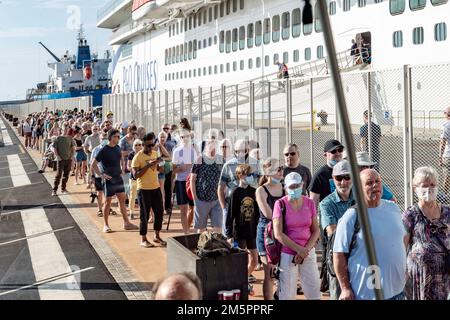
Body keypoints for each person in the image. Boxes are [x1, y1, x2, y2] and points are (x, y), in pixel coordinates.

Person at [333, 169, 406, 300]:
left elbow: (401, 238)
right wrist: (345, 288)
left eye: (377, 181)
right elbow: (338, 254)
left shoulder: (393, 208)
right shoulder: (352, 216)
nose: (375, 186)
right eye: (369, 183)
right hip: (366, 295)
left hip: (398, 292)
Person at [403, 166, 450, 300]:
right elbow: (402, 245)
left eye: (432, 185)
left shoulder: (447, 212)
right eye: (424, 185)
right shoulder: (410, 214)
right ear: (415, 188)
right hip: (419, 277)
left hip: (443, 276)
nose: (429, 189)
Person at [273, 172, 321, 300]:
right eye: (291, 187)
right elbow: (278, 234)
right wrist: (299, 250)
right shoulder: (280, 204)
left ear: (302, 185)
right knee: (287, 294)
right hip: (288, 253)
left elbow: (316, 230)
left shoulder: (309, 203)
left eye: (297, 186)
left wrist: (305, 250)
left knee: (314, 291)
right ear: (286, 188)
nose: (294, 189)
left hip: (308, 252)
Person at [91, 129, 139, 233]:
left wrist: (121, 168)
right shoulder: (104, 150)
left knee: (122, 200)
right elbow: (93, 164)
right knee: (107, 202)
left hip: (118, 178)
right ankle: (106, 225)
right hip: (109, 180)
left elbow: (120, 157)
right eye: (117, 136)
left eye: (118, 136)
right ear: (111, 137)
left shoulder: (117, 147)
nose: (118, 138)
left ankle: (126, 223)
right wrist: (101, 175)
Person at [319, 160, 354, 300]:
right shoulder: (326, 204)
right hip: (338, 259)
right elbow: (332, 232)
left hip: (359, 258)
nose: (343, 182)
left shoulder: (361, 198)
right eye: (339, 178)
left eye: (347, 177)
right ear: (333, 179)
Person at [225, 164, 260, 293]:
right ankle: (241, 284)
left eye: (251, 174)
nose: (250, 177)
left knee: (254, 261)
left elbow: (257, 212)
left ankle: (242, 279)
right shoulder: (235, 193)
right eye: (247, 174)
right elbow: (230, 215)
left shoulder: (253, 191)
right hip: (239, 232)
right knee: (241, 260)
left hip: (252, 231)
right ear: (240, 175)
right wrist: (229, 235)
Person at [218, 139, 262, 236]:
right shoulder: (228, 165)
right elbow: (220, 188)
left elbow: (260, 184)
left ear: (248, 150)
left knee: (251, 234)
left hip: (250, 205)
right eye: (237, 151)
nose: (240, 153)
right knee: (229, 234)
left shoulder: (256, 164)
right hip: (232, 204)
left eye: (243, 150)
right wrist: (224, 208)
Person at [255, 158, 285, 300]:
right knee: (270, 272)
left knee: (284, 272)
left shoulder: (285, 188)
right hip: (266, 233)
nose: (281, 171)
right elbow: (268, 213)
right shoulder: (261, 190)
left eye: (281, 168)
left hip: (283, 232)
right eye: (277, 169)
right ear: (268, 172)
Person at [132, 132, 166, 248]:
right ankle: (143, 239)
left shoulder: (156, 153)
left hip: (155, 188)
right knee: (144, 215)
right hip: (143, 190)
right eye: (148, 145)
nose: (151, 147)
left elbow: (161, 170)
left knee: (159, 212)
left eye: (152, 145)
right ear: (143, 145)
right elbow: (135, 175)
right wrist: (148, 165)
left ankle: (157, 236)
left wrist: (160, 164)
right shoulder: (138, 157)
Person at [191, 139, 224, 233]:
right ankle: (201, 247)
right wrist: (195, 198)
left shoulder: (220, 160)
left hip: (216, 199)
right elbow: (192, 180)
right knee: (201, 229)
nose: (213, 151)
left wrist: (223, 195)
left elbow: (224, 178)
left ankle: (216, 246)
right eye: (211, 149)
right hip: (201, 199)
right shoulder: (199, 159)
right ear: (206, 148)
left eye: (215, 149)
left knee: (218, 227)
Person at [172, 129, 199, 234]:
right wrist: (180, 169)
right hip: (181, 181)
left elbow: (199, 166)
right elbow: (173, 169)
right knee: (183, 208)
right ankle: (185, 233)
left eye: (187, 136)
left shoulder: (195, 151)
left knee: (194, 207)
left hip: (193, 182)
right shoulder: (177, 151)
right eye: (183, 137)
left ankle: (193, 231)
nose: (185, 138)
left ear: (190, 137)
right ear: (180, 138)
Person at [309, 139, 345, 208]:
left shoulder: (347, 171)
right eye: (333, 151)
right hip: (329, 215)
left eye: (340, 150)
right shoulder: (320, 175)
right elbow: (313, 201)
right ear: (325, 155)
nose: (337, 153)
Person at [52, 126, 76, 196]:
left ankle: (63, 188)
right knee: (58, 175)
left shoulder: (70, 138)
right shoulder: (58, 138)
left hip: (68, 160)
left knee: (66, 175)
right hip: (60, 160)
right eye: (64, 129)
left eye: (67, 129)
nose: (65, 130)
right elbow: (55, 149)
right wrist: (58, 156)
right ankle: (54, 190)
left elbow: (73, 148)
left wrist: (72, 156)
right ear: (62, 130)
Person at [89, 130, 108, 217]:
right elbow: (92, 164)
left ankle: (107, 207)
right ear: (99, 139)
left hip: (108, 175)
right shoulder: (95, 150)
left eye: (105, 138)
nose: (104, 140)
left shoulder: (110, 148)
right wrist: (92, 176)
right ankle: (100, 209)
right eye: (102, 138)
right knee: (99, 192)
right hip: (98, 174)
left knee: (108, 193)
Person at [127, 139, 143, 220]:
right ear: (133, 146)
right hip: (133, 178)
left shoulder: (143, 154)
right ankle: (131, 212)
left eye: (139, 145)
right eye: (136, 145)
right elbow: (128, 167)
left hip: (142, 178)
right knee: (133, 195)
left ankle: (141, 213)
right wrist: (136, 169)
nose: (138, 146)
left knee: (141, 196)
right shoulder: (131, 154)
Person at [439, 106, 450, 195]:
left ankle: (445, 195)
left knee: (447, 176)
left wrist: (440, 156)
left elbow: (443, 142)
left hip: (448, 154)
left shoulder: (446, 125)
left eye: (444, 112)